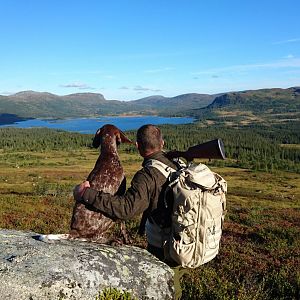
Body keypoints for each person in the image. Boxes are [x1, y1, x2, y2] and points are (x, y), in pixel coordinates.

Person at [73, 124, 186, 299]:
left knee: (169, 287)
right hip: (183, 237)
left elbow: (125, 209)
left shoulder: (147, 175)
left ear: (137, 146)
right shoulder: (176, 164)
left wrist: (86, 194)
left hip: (164, 246)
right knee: (175, 279)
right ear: (162, 143)